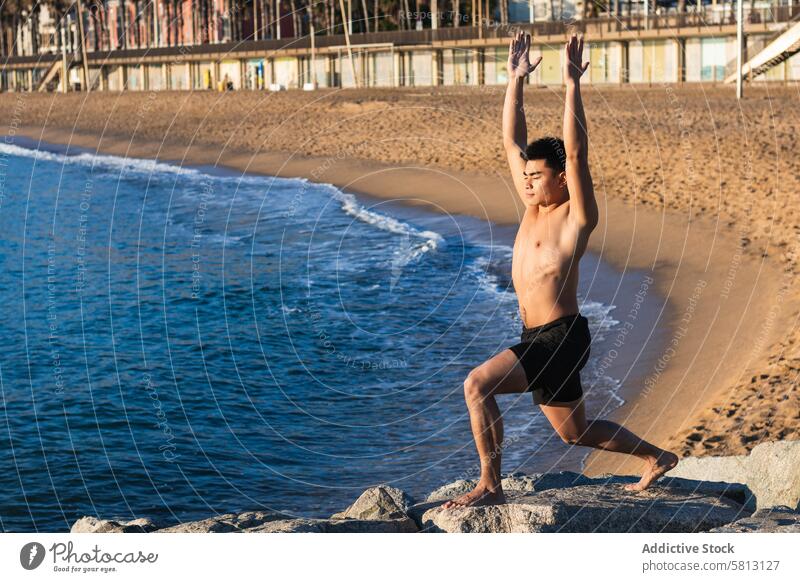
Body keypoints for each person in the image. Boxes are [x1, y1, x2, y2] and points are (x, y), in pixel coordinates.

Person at [443, 32, 679, 509]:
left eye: (537, 176)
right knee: (575, 432)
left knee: (477, 384)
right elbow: (511, 141)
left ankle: (490, 485)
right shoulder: (531, 206)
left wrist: (572, 85)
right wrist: (514, 81)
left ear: (561, 178)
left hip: (560, 336)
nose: (527, 183)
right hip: (536, 336)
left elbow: (576, 154)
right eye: (525, 177)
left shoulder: (576, 217)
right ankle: (658, 458)